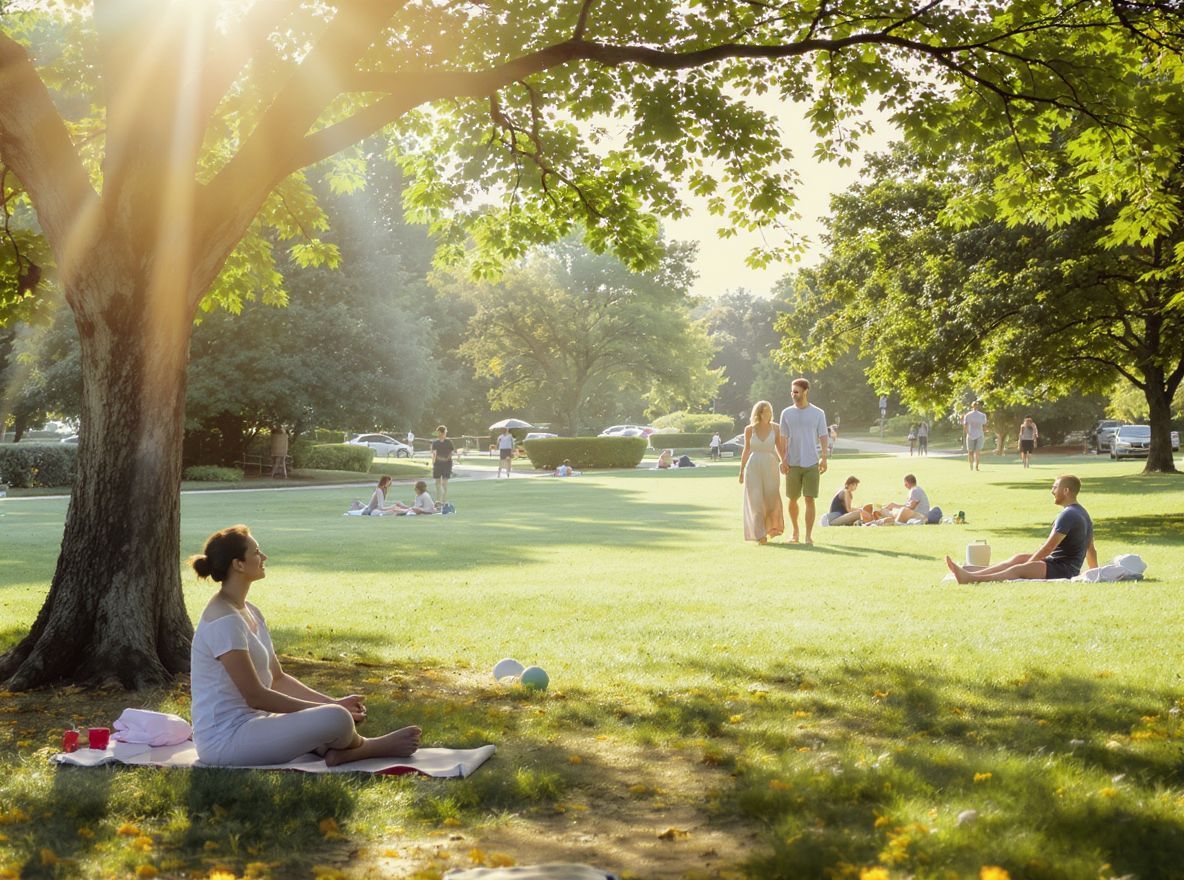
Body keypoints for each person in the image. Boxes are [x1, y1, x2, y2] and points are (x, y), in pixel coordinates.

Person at [188, 525, 421, 767]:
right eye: (256, 552)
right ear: (238, 564)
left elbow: (277, 678)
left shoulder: (250, 611)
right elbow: (256, 697)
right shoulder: (224, 621)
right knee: (336, 719)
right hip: (225, 740)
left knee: (331, 715)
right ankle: (367, 747)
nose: (264, 557)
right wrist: (331, 709)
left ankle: (339, 747)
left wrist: (334, 701)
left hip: (257, 725)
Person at [945, 474, 1098, 583]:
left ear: (1066, 491)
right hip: (1061, 565)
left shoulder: (1068, 515)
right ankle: (973, 571)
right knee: (1018, 558)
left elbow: (1048, 547)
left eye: (1055, 487)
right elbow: (1091, 549)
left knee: (1019, 569)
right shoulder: (1083, 513)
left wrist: (1028, 564)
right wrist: (1095, 574)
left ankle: (973, 578)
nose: (1052, 491)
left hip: (1062, 569)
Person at [778, 377, 829, 544]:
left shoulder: (818, 413)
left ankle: (808, 535)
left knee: (809, 499)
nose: (793, 394)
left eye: (796, 392)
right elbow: (783, 439)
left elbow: (823, 436)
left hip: (812, 463)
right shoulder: (786, 413)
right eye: (792, 392)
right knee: (792, 499)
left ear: (805, 392)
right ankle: (795, 532)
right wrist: (783, 460)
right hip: (792, 464)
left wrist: (824, 458)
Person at [739, 401, 786, 544]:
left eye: (770, 411)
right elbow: (746, 450)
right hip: (753, 467)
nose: (768, 414)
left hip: (771, 465)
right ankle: (760, 534)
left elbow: (779, 448)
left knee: (772, 498)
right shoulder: (749, 429)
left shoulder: (776, 428)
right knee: (756, 501)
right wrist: (741, 470)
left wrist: (784, 462)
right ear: (759, 413)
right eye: (765, 411)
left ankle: (771, 528)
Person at [431, 425, 454, 503]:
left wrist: (446, 459)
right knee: (437, 483)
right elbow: (434, 453)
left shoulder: (449, 442)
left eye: (445, 432)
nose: (445, 434)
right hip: (437, 464)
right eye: (444, 432)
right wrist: (434, 462)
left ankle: (444, 500)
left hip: (447, 464)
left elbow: (451, 452)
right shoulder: (435, 443)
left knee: (444, 483)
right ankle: (438, 500)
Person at [962, 401, 988, 471]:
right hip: (972, 435)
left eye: (977, 405)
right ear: (973, 406)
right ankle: (972, 465)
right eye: (975, 405)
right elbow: (965, 425)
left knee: (976, 452)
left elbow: (985, 425)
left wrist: (985, 431)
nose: (976, 407)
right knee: (972, 452)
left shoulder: (982, 415)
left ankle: (975, 466)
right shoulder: (968, 415)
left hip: (978, 435)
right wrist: (968, 433)